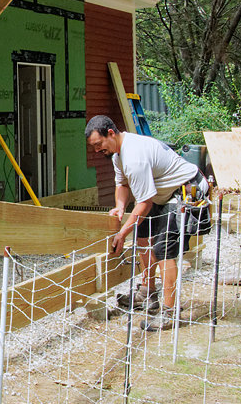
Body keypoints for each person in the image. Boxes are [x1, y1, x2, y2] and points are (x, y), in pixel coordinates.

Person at [85, 114, 208, 331]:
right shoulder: (118, 155)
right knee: (141, 236)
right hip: (160, 192)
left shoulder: (134, 157)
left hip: (184, 189)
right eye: (93, 147)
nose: (97, 150)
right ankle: (147, 294)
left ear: (111, 133)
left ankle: (169, 313)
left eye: (98, 144)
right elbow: (122, 184)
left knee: (163, 249)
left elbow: (144, 203)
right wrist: (120, 207)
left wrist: (122, 233)